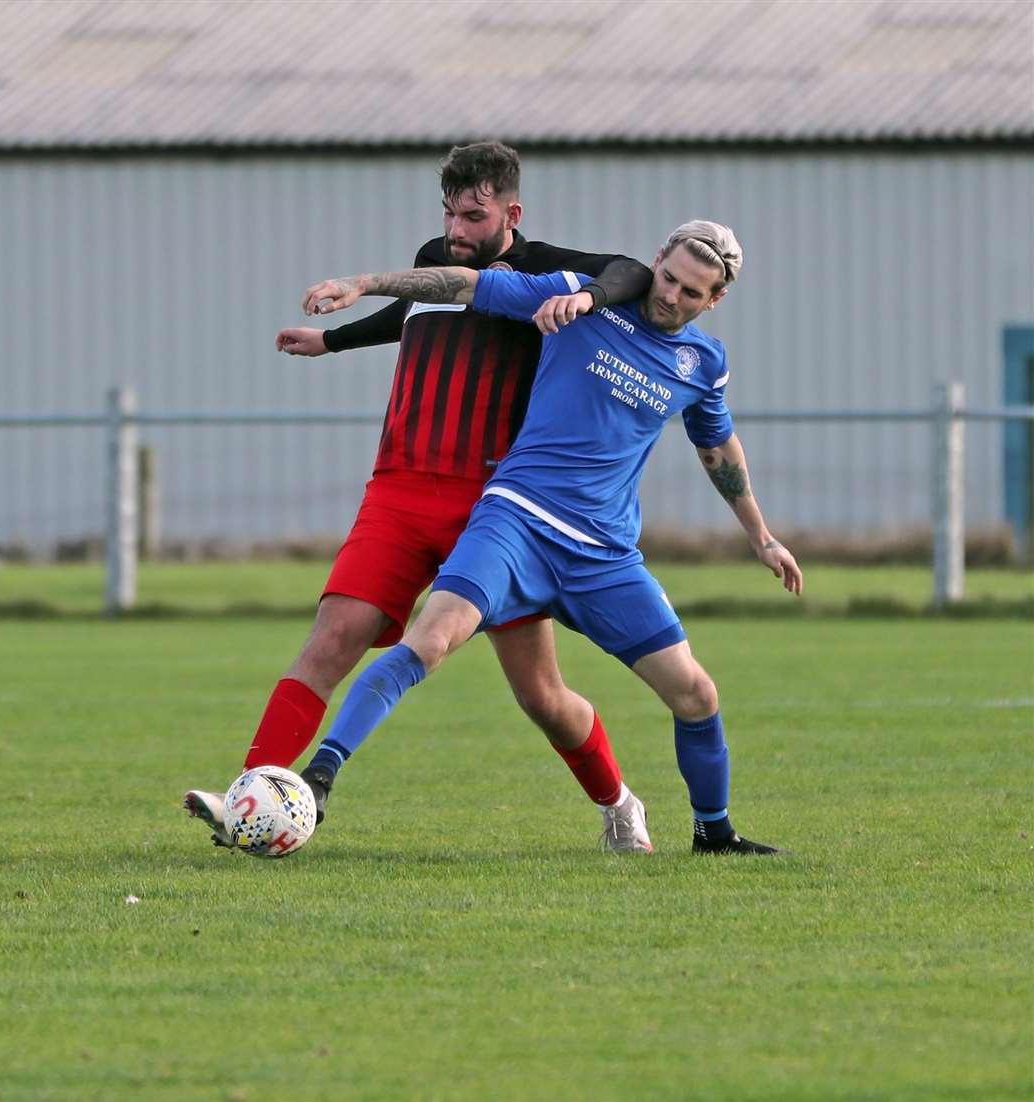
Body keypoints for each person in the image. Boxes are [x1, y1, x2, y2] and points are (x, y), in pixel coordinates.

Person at [184, 141, 658, 853]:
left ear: (511, 211)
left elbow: (636, 273)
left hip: (495, 507)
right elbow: (410, 311)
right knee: (332, 640)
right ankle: (250, 799)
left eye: (473, 215)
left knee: (542, 697)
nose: (456, 230)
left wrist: (585, 296)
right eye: (448, 214)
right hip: (398, 491)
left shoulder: (542, 272)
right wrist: (333, 341)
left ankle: (619, 803)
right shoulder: (433, 259)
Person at [295, 219, 803, 854]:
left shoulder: (702, 362)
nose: (671, 295)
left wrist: (760, 536)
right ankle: (317, 780)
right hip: (516, 521)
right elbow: (466, 284)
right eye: (668, 278)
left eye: (691, 292)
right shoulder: (577, 299)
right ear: (657, 262)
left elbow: (717, 445)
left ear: (714, 300)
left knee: (695, 692)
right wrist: (362, 283)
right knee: (430, 640)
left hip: (604, 556)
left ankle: (714, 833)